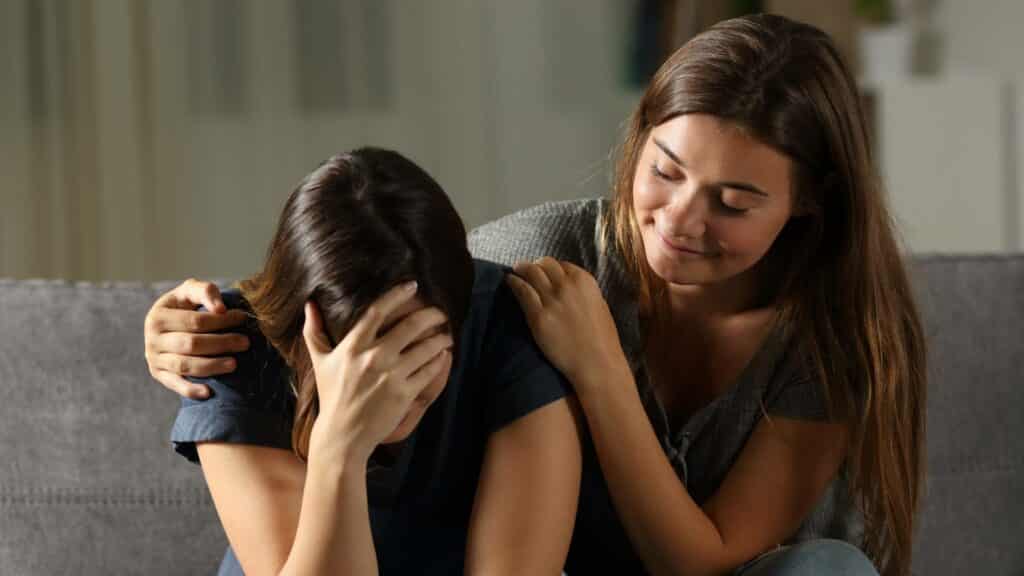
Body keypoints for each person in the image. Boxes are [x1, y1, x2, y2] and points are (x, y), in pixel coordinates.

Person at [145, 14, 925, 576]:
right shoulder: (539, 258)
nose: (680, 221)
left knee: (829, 569)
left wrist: (599, 369)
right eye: (666, 170)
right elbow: (384, 270)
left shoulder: (836, 340)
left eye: (734, 201)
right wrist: (192, 320)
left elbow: (705, 560)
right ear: (641, 135)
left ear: (808, 203)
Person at [162, 148, 582, 575]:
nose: (394, 386)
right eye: (364, 354)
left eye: (418, 349)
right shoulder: (227, 347)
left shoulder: (508, 321)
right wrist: (340, 447)